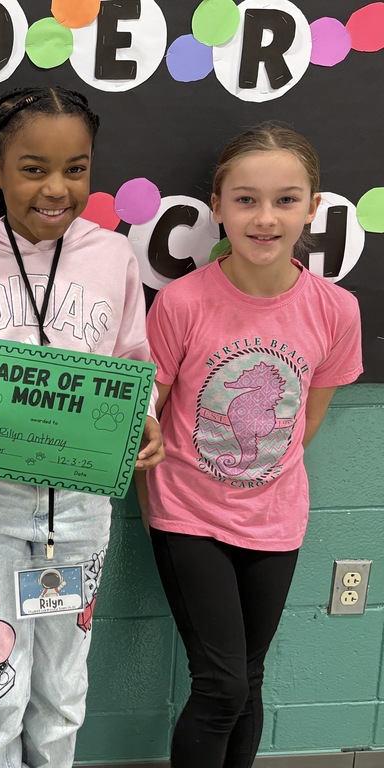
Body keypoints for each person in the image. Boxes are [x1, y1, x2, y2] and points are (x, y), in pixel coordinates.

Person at [0, 86, 164, 767]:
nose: (56, 187)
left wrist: (146, 420)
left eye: (76, 168)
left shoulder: (113, 259)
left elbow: (135, 366)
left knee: (62, 694)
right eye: (33, 167)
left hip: (81, 515)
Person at [141, 124, 363, 767]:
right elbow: (146, 413)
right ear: (218, 206)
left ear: (313, 207)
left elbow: (306, 420)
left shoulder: (336, 310)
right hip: (188, 516)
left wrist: (254, 471)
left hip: (275, 520)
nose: (265, 218)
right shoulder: (183, 303)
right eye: (245, 199)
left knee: (250, 678)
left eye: (286, 199)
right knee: (222, 685)